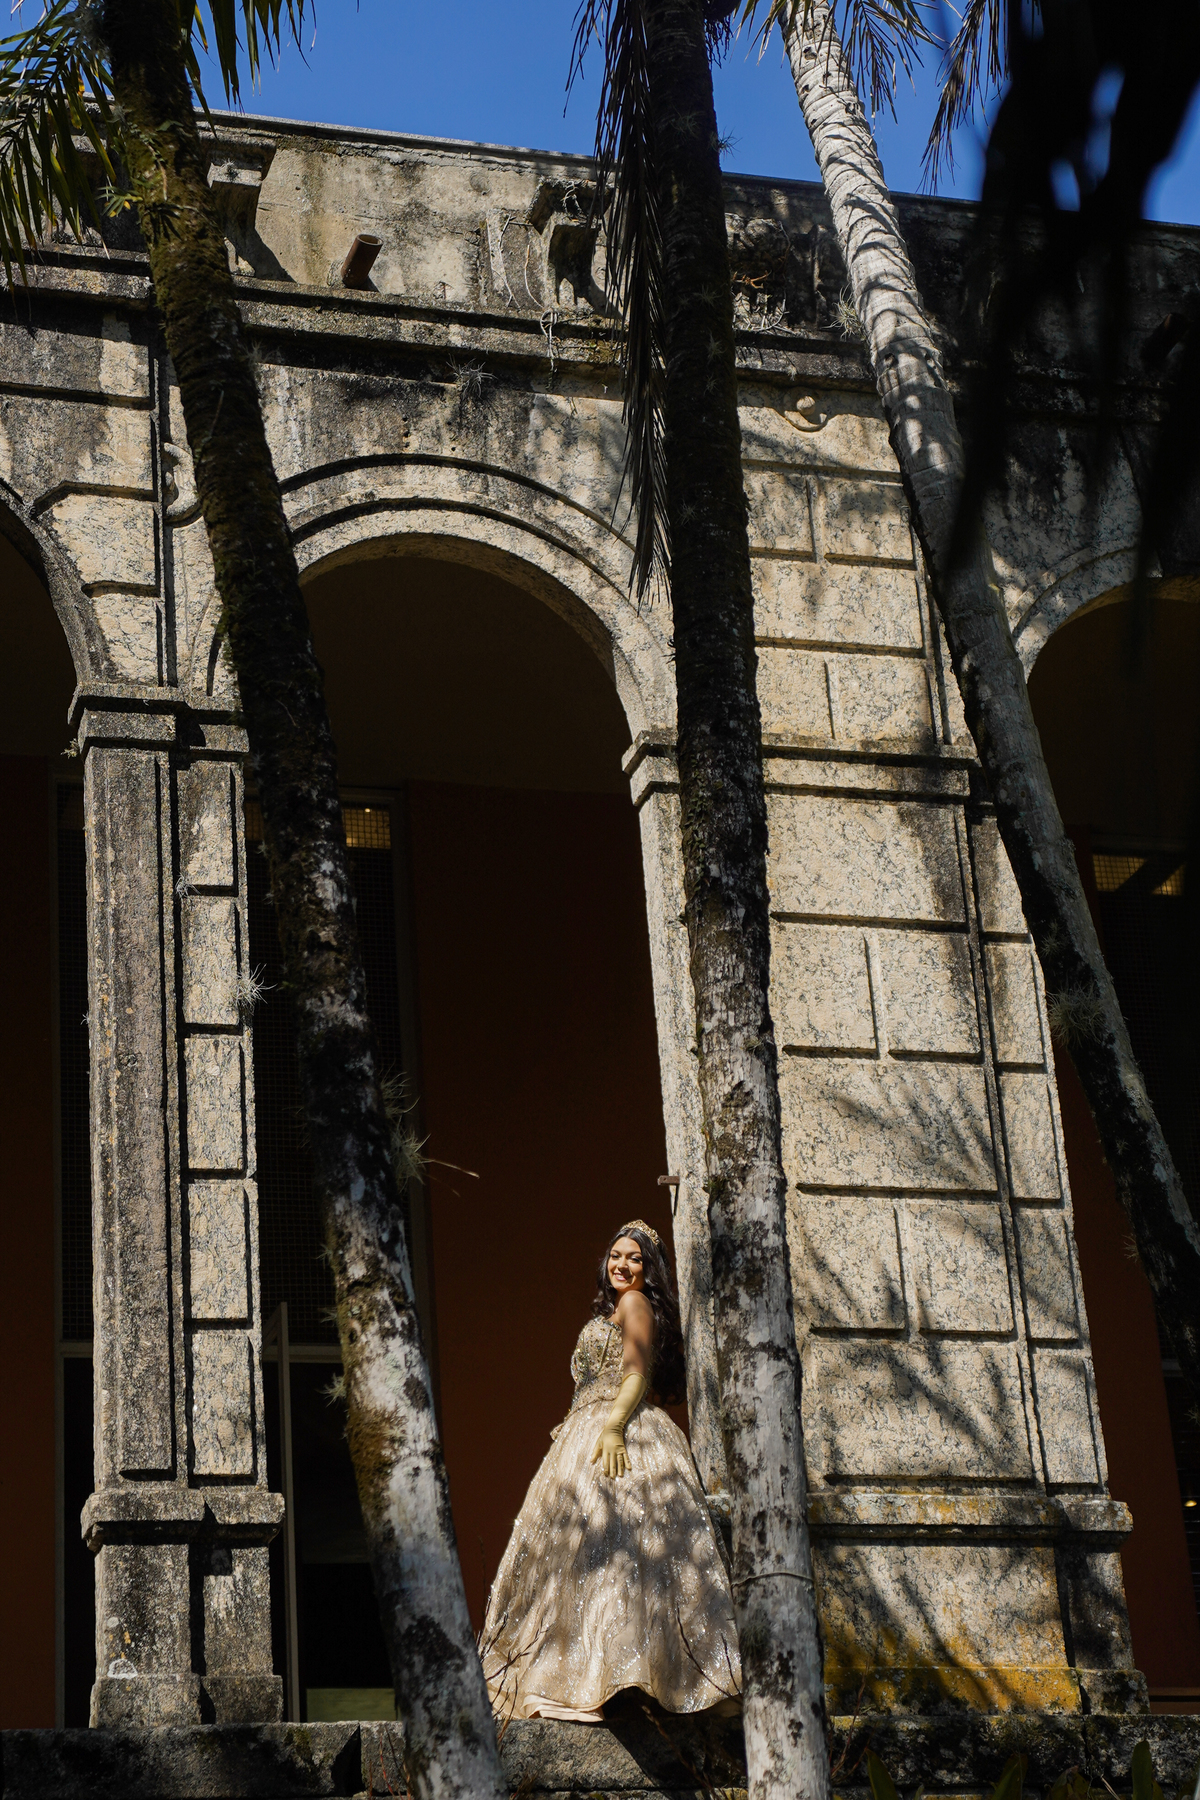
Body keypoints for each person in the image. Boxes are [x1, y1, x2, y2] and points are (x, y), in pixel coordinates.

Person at [480, 1220, 742, 1723]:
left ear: (649, 1269)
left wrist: (616, 1426)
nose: (623, 1264)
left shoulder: (635, 1303)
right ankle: (592, 1676)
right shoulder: (615, 1307)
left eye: (635, 1258)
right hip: (587, 1428)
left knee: (615, 1547)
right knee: (590, 1552)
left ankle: (604, 1678)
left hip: (616, 1428)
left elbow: (636, 1372)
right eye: (617, 1255)